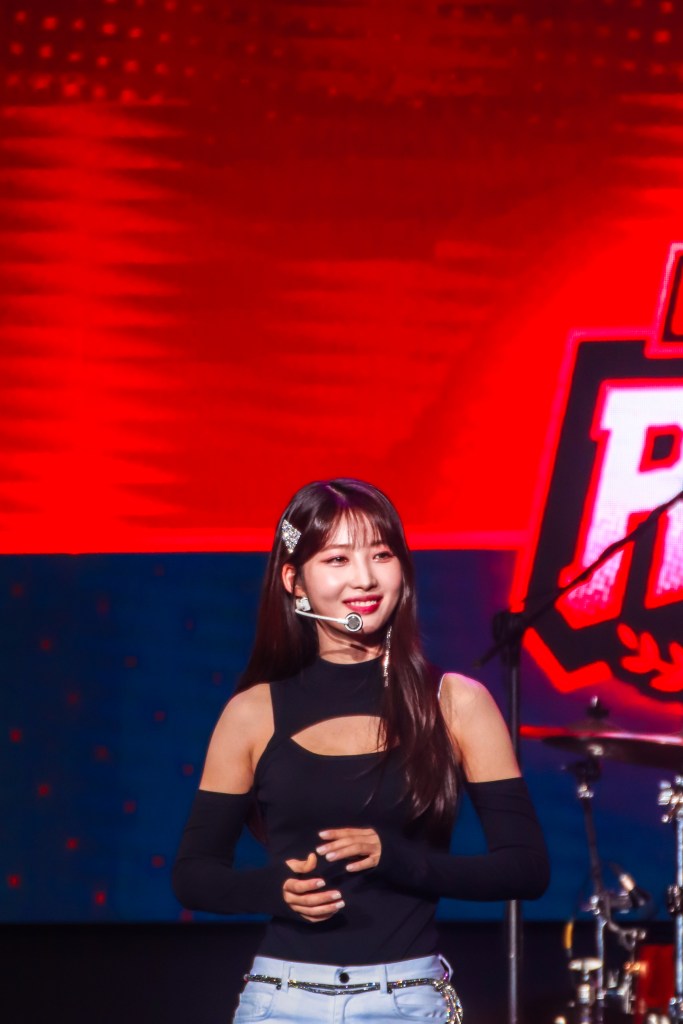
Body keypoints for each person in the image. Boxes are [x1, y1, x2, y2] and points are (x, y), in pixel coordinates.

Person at [172, 478, 549, 1023]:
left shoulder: (455, 702)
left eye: (381, 554)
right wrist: (276, 890)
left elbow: (526, 868)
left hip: (407, 1000)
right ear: (294, 581)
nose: (365, 578)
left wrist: (398, 860)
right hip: (281, 1000)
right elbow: (193, 874)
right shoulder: (253, 712)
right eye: (337, 559)